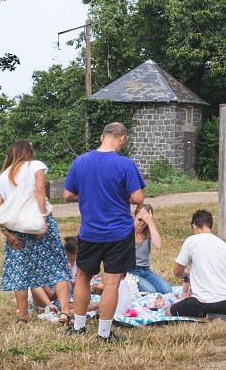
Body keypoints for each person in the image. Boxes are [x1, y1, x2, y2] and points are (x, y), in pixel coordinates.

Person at [63, 122, 145, 342]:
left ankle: (78, 327)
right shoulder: (125, 164)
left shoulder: (81, 161)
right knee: (111, 283)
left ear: (102, 137)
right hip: (118, 233)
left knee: (82, 277)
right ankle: (104, 334)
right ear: (122, 139)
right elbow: (137, 198)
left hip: (90, 232)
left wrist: (90, 194)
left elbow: (67, 195)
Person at [0, 141, 72, 324]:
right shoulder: (36, 165)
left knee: (20, 269)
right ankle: (65, 312)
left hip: (16, 228)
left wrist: (7, 233)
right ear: (29, 152)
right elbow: (40, 190)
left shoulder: (3, 177)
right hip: (39, 222)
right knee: (57, 266)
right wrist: (42, 220)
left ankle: (23, 316)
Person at [169, 209, 226, 319]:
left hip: (203, 302)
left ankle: (207, 317)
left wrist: (186, 275)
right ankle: (220, 314)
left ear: (194, 226)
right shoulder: (225, 246)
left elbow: (176, 272)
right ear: (211, 227)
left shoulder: (191, 241)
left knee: (168, 312)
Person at [128, 203, 170, 294]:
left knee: (167, 290)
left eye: (145, 221)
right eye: (140, 219)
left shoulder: (148, 232)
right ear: (134, 216)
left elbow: (158, 245)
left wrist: (150, 222)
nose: (142, 223)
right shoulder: (127, 231)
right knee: (151, 291)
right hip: (131, 271)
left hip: (146, 270)